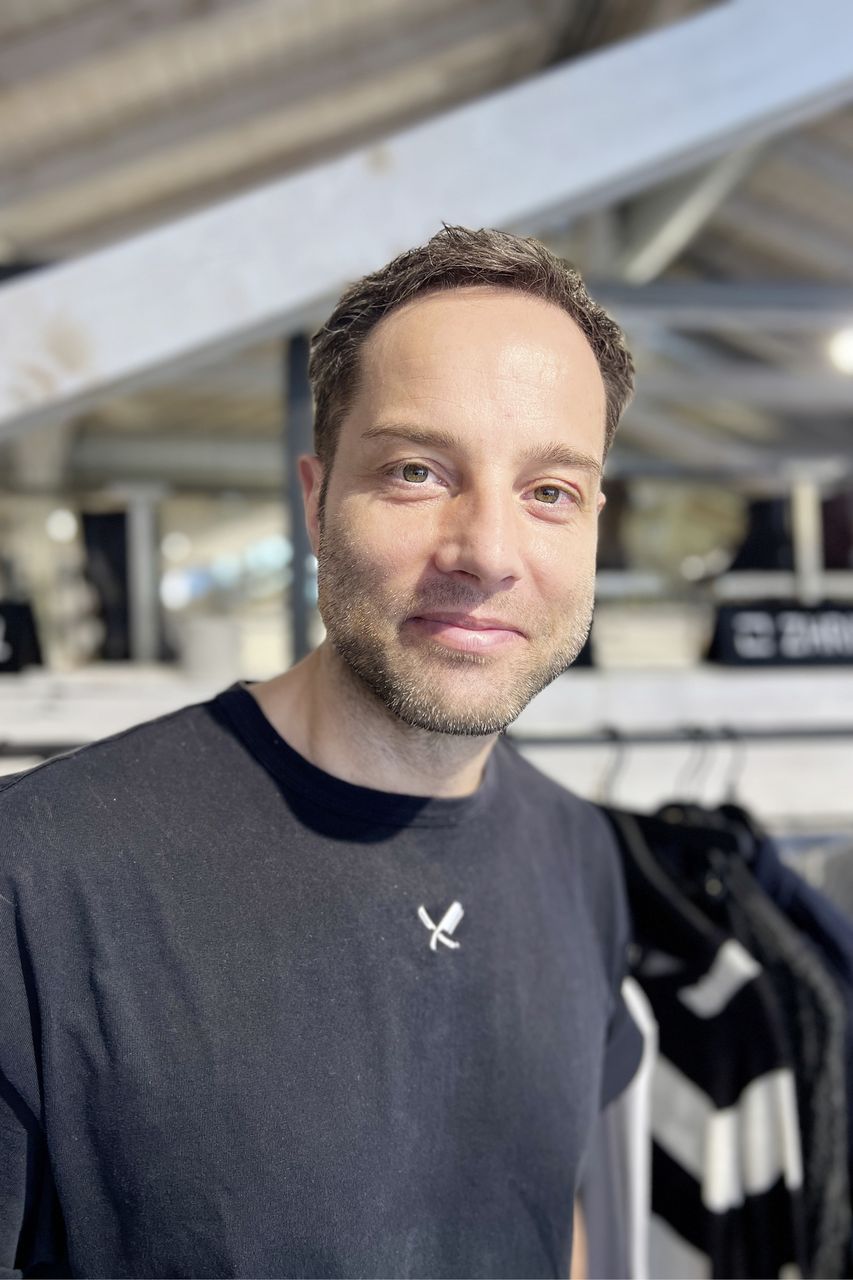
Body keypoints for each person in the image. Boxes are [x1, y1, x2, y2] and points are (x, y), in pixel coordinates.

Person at [0, 225, 640, 1279]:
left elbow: (539, 1205)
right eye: (416, 470)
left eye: (550, 491)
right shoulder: (38, 879)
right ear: (314, 499)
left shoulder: (582, 856)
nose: (487, 551)